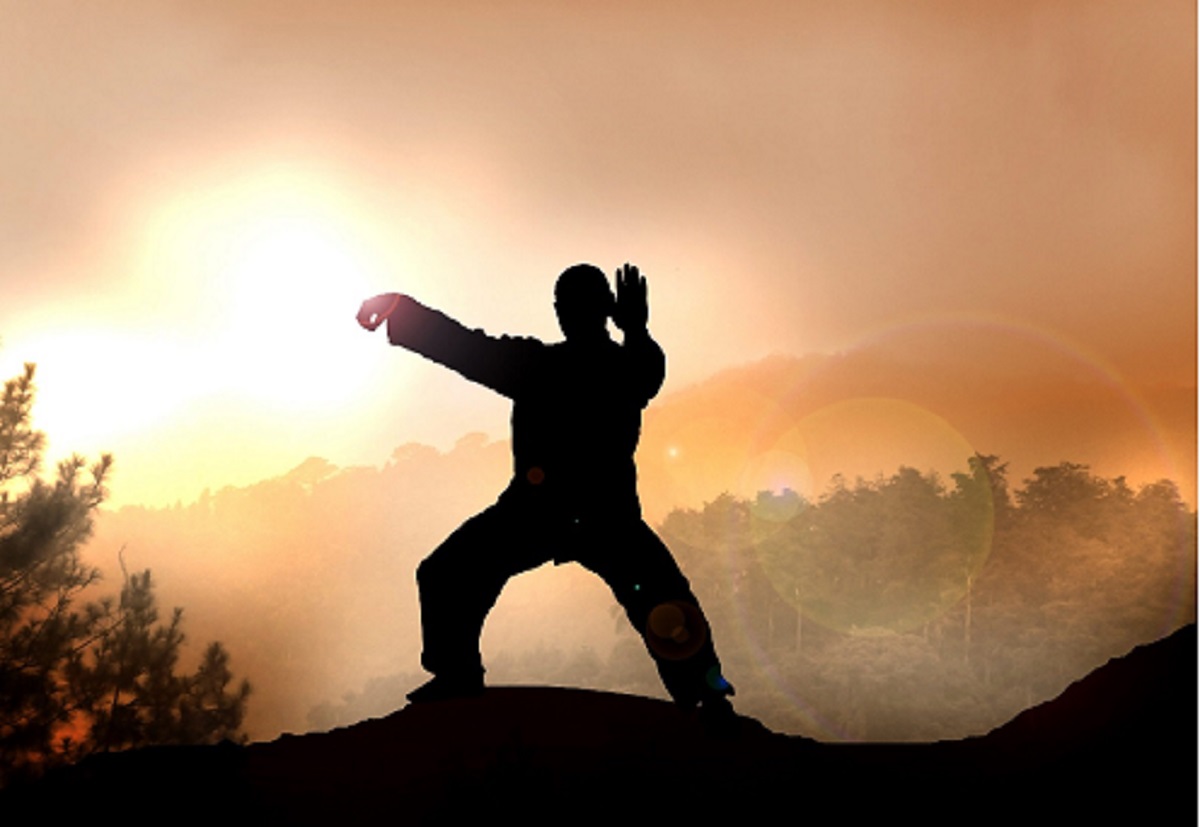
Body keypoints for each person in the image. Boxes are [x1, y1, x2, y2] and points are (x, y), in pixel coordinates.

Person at [356, 263, 733, 716]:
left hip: (543, 512)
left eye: (568, 305)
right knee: (662, 595)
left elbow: (464, 347)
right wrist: (635, 328)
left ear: (567, 310)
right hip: (598, 517)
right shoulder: (618, 366)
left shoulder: (538, 366)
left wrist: (399, 308)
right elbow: (646, 371)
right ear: (606, 309)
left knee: (448, 573)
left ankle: (457, 674)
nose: (565, 313)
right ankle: (707, 694)